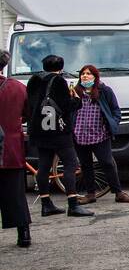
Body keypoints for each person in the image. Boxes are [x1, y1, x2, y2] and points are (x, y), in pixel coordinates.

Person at [25, 55, 92, 218]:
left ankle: (46, 204)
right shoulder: (59, 81)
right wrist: (76, 100)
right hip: (58, 131)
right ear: (61, 67)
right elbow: (65, 106)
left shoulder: (33, 80)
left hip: (39, 130)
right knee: (71, 164)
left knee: (44, 166)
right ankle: (73, 204)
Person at [71, 65, 129, 205]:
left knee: (107, 163)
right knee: (86, 165)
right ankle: (90, 194)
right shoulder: (75, 92)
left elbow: (116, 111)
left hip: (100, 135)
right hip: (80, 136)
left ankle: (118, 192)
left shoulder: (104, 91)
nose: (85, 76)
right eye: (82, 74)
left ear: (95, 77)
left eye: (88, 74)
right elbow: (69, 110)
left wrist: (112, 125)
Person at [0, 50, 31, 247]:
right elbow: (27, 113)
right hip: (11, 148)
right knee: (15, 193)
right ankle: (24, 234)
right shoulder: (18, 87)